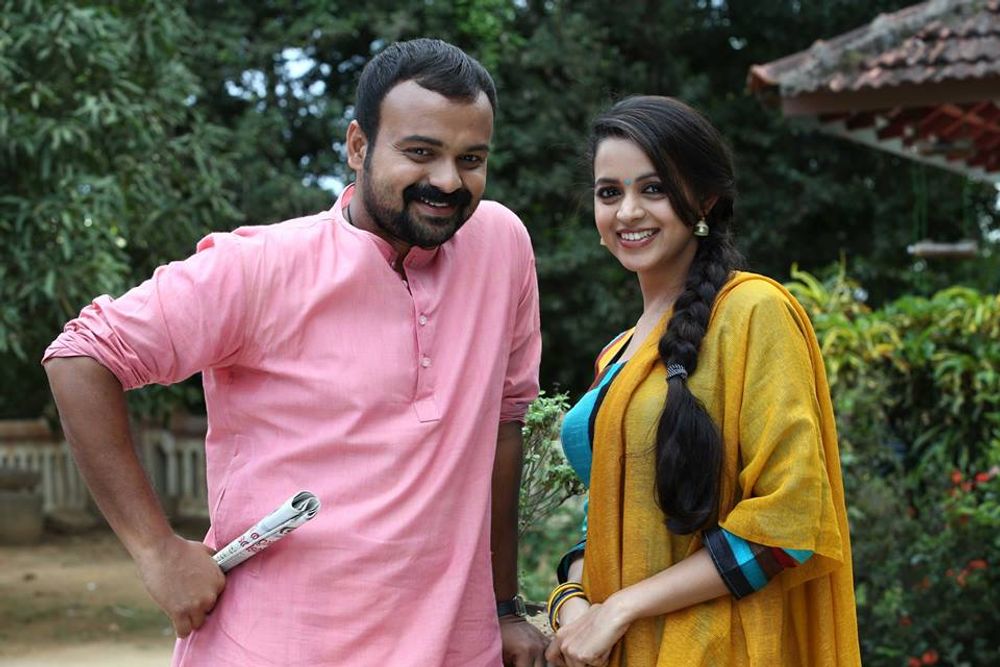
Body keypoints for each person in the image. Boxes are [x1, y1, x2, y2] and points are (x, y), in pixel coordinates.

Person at [43, 38, 548, 667]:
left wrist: (503, 608)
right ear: (358, 146)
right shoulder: (258, 267)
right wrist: (155, 550)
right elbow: (81, 355)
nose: (448, 181)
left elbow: (503, 424)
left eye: (470, 159)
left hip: (454, 648)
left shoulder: (501, 245)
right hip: (275, 645)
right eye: (421, 152)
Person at [544, 96, 861, 667]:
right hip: (619, 650)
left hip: (718, 647)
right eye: (609, 192)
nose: (627, 212)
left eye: (654, 189)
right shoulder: (617, 354)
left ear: (706, 200)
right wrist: (573, 603)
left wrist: (623, 607)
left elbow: (789, 525)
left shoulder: (753, 312)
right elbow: (610, 525)